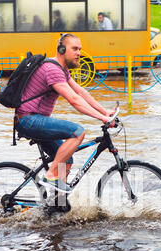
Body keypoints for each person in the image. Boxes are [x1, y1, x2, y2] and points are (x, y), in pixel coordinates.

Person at [14, 33, 115, 194]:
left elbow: (81, 93)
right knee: (77, 132)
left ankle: (58, 205)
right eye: (74, 49)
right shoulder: (52, 69)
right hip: (29, 120)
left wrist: (105, 112)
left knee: (66, 159)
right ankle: (51, 174)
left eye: (80, 49)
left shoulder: (61, 69)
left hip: (35, 119)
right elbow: (74, 100)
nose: (79, 53)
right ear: (61, 49)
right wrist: (102, 118)